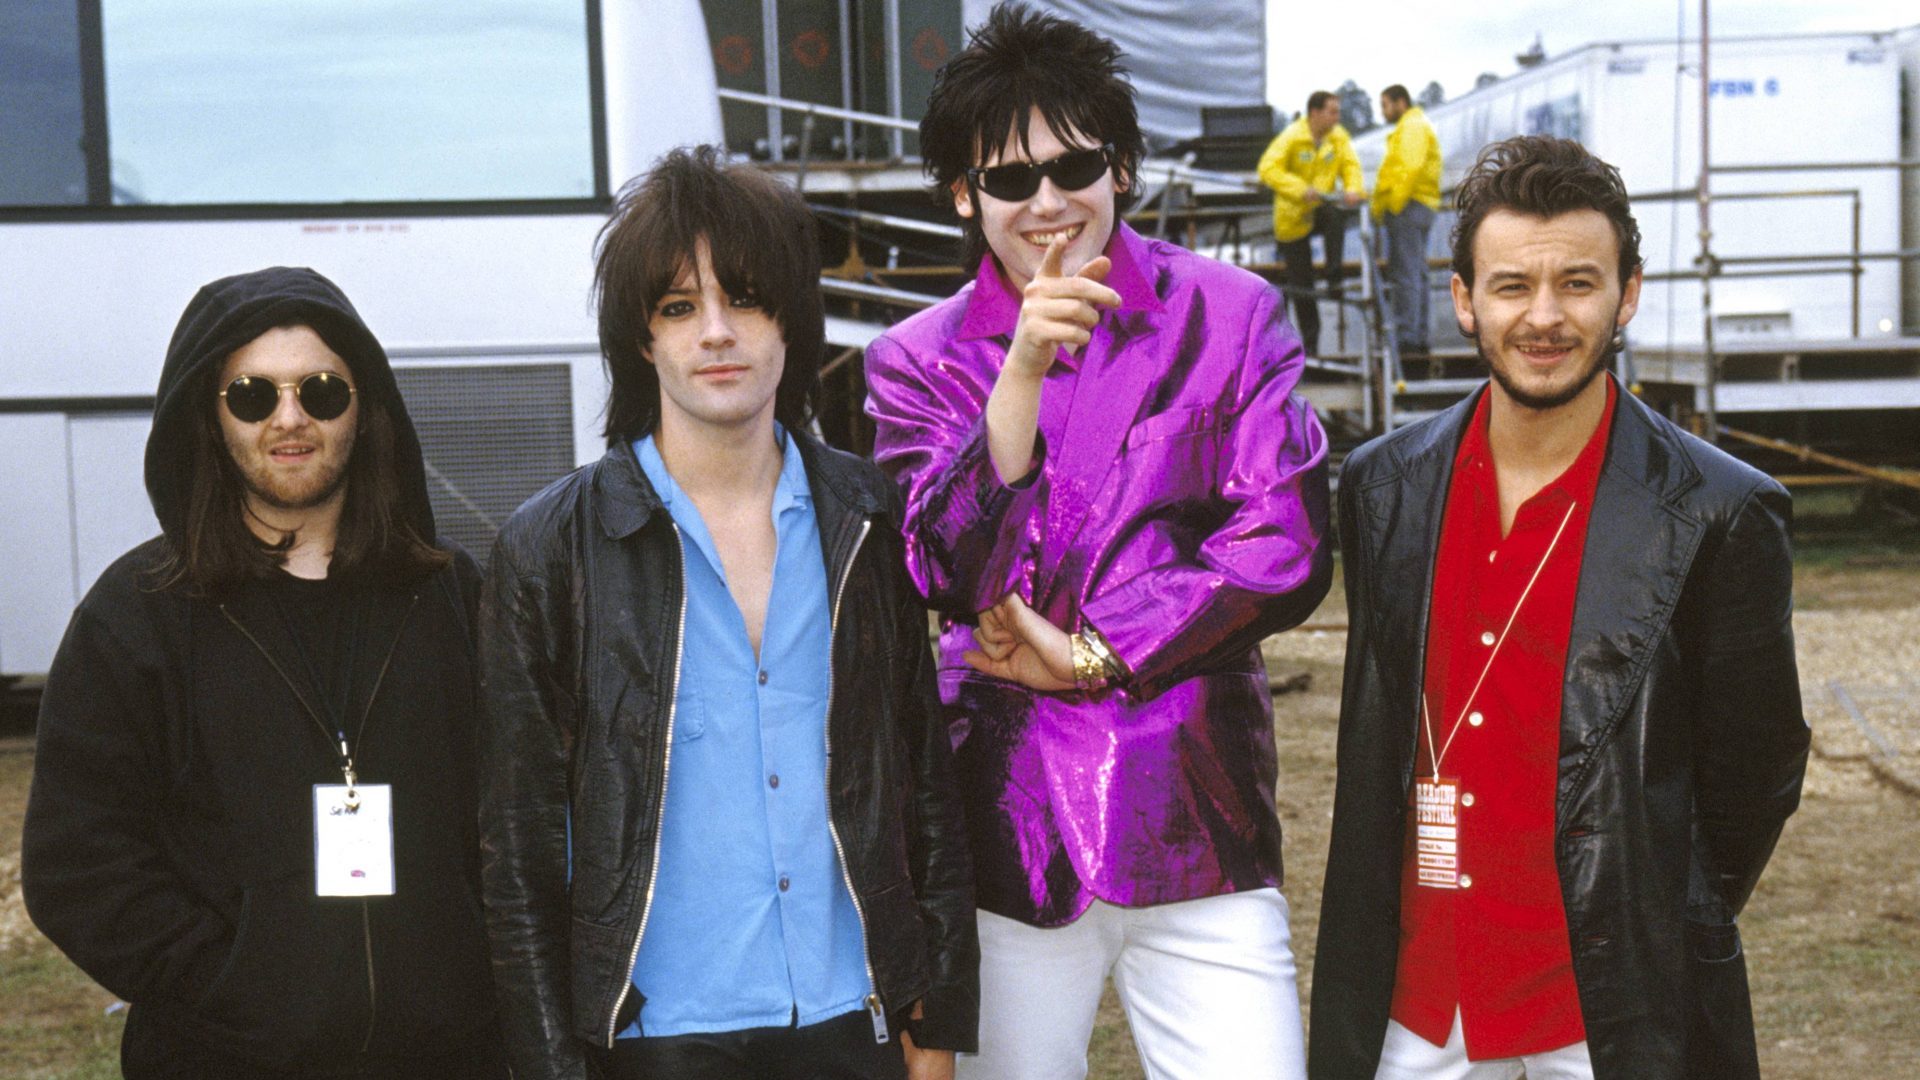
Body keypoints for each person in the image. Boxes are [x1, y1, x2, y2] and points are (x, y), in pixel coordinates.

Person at [864, 5, 1332, 1077]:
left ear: (1120, 167)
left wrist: (1096, 650)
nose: (1046, 201)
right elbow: (944, 569)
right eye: (1009, 179)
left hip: (1196, 805)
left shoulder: (1235, 312)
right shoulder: (915, 360)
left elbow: (1287, 538)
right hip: (1005, 817)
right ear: (961, 195)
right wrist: (1018, 373)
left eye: (1073, 164)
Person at [1311, 135, 1809, 1080]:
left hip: (1608, 1012)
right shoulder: (1381, 487)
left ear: (1627, 295)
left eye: (1578, 283)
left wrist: (1663, 911)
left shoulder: (1721, 510)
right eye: (1511, 287)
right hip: (1415, 1006)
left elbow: (1760, 767)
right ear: (1464, 300)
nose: (1545, 317)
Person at [477, 145, 977, 1080]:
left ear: (791, 319)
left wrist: (937, 1011)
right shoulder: (550, 549)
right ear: (642, 338)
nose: (716, 331)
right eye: (678, 306)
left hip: (850, 1015)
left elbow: (921, 779)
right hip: (653, 1034)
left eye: (744, 298)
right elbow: (519, 853)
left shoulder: (866, 517)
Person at [22, 267, 505, 1078]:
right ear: (209, 418)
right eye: (252, 394)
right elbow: (78, 863)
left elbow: (517, 817)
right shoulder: (138, 615)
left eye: (321, 391)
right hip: (222, 1060)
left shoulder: (450, 595)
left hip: (449, 1056)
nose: (290, 418)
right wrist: (234, 984)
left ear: (365, 408)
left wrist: (469, 976)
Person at [1258, 89, 1366, 357]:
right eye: (1332, 112)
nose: (1337, 117)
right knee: (1302, 285)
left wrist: (1353, 188)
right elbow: (1268, 168)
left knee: (1335, 215)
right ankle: (1311, 348)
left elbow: (1351, 166)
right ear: (1315, 113)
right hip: (1292, 218)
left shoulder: (1338, 137)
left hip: (1319, 209)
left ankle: (1333, 276)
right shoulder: (1292, 136)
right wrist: (1299, 189)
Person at [1371, 83, 1443, 364]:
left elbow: (1408, 167)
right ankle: (1419, 335)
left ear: (1400, 102)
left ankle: (1407, 337)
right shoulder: (1414, 125)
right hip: (1419, 203)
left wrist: (1394, 203)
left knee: (1406, 273)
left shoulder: (1411, 127)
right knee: (1417, 272)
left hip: (1409, 205)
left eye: (1385, 105)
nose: (1383, 111)